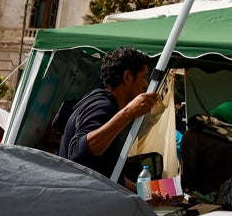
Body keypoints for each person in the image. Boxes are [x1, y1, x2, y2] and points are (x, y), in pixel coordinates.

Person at [58, 46, 158, 185]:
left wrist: (141, 193)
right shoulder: (103, 105)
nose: (146, 84)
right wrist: (128, 113)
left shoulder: (104, 103)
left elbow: (105, 172)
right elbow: (78, 154)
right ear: (127, 76)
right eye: (143, 77)